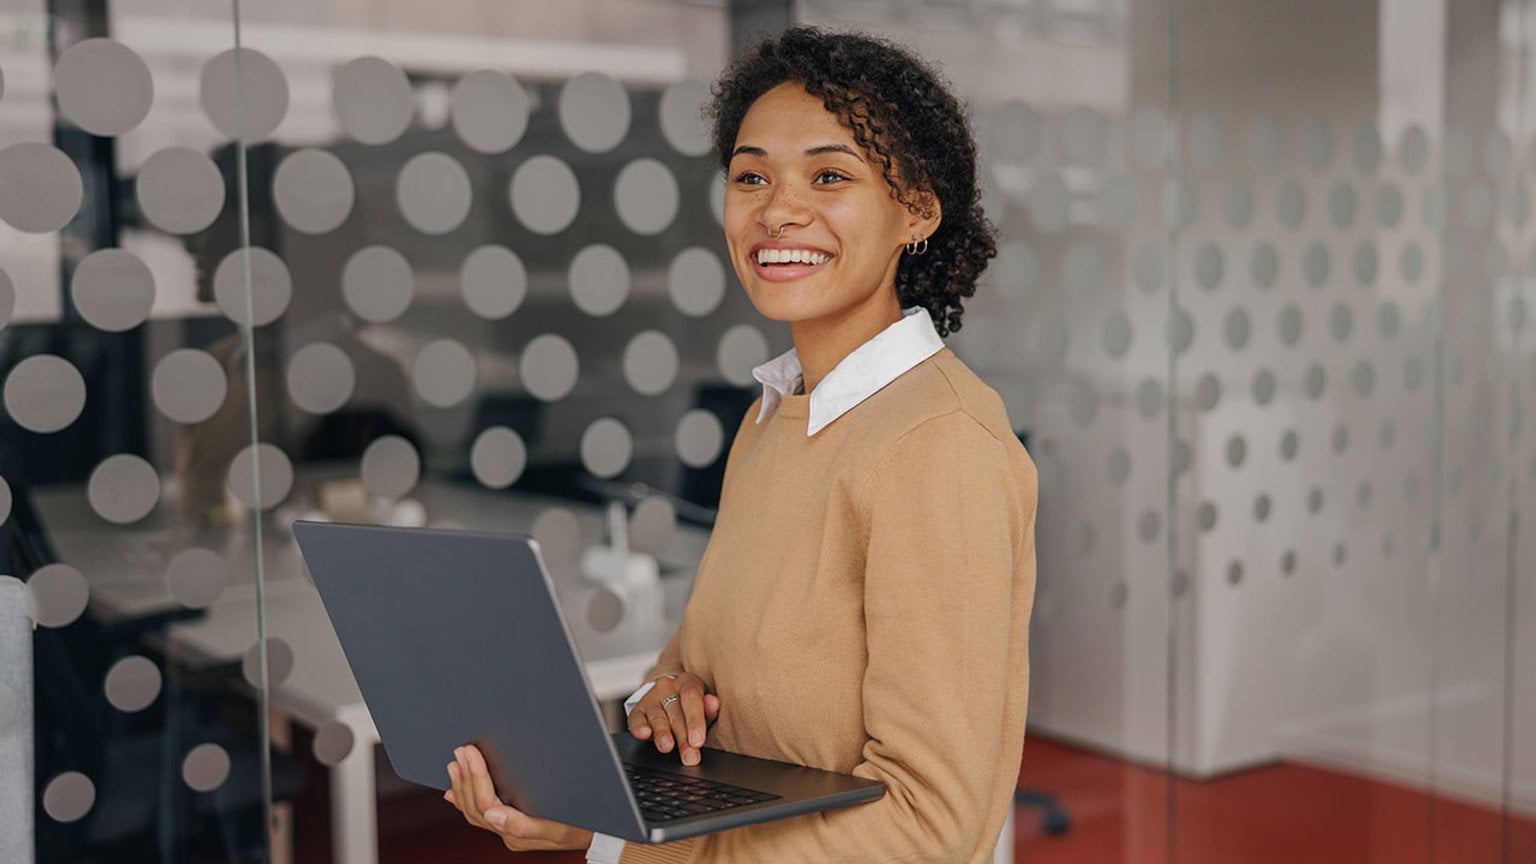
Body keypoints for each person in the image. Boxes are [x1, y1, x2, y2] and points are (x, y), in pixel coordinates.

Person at [443, 23, 1038, 863]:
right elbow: (696, 660)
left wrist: (620, 838)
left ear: (918, 209)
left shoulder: (938, 446)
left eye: (829, 175)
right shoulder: (776, 415)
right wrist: (666, 701)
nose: (777, 209)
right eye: (750, 175)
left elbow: (931, 829)